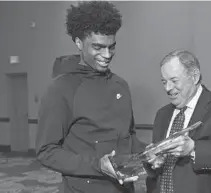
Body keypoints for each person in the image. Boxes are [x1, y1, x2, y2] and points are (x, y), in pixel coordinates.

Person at [35, 1, 145, 193]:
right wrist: (97, 165)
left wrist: (151, 151)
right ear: (79, 43)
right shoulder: (60, 89)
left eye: (111, 47)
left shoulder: (121, 85)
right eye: (98, 47)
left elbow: (130, 138)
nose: (107, 54)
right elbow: (46, 151)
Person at [145, 49, 211, 193]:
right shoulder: (162, 115)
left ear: (194, 77)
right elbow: (156, 173)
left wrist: (193, 149)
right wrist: (153, 162)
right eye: (164, 82)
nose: (168, 88)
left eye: (174, 81)